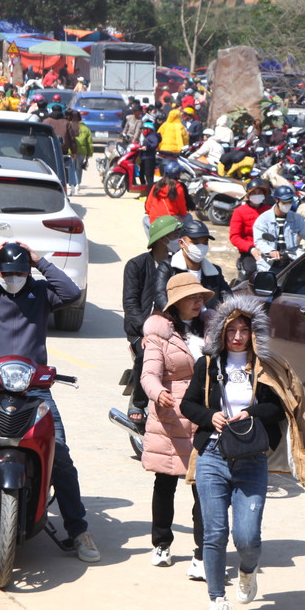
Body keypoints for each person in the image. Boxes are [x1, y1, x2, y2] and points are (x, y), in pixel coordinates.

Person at [0, 242, 100, 564]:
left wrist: (41, 262)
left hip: (36, 390)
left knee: (61, 456)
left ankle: (79, 530)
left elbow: (71, 294)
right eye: (7, 272)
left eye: (20, 272)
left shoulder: (40, 293)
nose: (13, 277)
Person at [180, 295, 287, 610]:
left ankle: (247, 570)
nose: (238, 336)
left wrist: (249, 413)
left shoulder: (264, 367)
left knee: (247, 537)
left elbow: (278, 409)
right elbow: (188, 405)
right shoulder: (208, 366)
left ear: (254, 333)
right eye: (232, 330)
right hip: (212, 455)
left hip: (251, 458)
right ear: (221, 333)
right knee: (214, 533)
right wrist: (211, 416)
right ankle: (217, 601)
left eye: (244, 330)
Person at [142, 273, 212, 578]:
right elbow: (149, 374)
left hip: (204, 415)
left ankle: (202, 553)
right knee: (166, 482)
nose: (198, 302)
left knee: (205, 488)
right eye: (192, 297)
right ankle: (161, 543)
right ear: (176, 302)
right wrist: (159, 394)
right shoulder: (159, 333)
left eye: (201, 297)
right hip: (170, 418)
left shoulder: (212, 329)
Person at [123, 216, 184, 429]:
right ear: (162, 239)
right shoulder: (136, 265)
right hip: (141, 329)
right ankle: (138, 402)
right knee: (146, 354)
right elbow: (130, 304)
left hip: (173, 327)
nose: (178, 238)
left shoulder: (178, 266)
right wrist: (145, 331)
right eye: (175, 234)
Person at [252, 184, 305, 273]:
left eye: (290, 201)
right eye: (285, 201)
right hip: (268, 265)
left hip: (290, 263)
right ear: (276, 200)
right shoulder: (263, 219)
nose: (288, 204)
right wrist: (270, 251)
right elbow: (259, 241)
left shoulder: (296, 218)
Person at [171, 218, 230, 305]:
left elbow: (227, 296)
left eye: (205, 242)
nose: (200, 247)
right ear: (181, 243)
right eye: (195, 242)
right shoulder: (169, 269)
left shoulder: (215, 272)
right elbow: (161, 298)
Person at [229, 180, 271, 282]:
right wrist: (251, 248)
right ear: (248, 194)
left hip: (269, 250)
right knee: (251, 272)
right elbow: (234, 237)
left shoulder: (269, 210)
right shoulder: (239, 212)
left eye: (259, 193)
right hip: (249, 252)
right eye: (254, 193)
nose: (257, 195)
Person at [71, 109, 92, 196]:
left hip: (71, 150)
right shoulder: (86, 129)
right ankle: (78, 185)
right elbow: (89, 142)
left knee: (71, 168)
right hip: (82, 151)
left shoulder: (70, 126)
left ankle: (72, 185)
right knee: (79, 167)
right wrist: (89, 154)